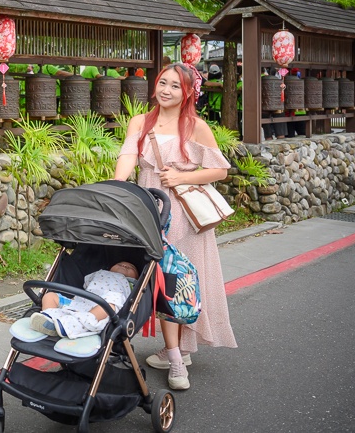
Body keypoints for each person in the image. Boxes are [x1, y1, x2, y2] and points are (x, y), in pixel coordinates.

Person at [113, 63, 236, 391]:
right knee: (159, 279)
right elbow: (127, 156)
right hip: (148, 209)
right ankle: (176, 351)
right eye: (162, 83)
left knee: (174, 281)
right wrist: (115, 187)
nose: (166, 90)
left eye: (175, 86)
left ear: (188, 93)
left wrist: (182, 176)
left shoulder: (195, 127)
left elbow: (219, 170)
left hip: (181, 214)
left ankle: (176, 359)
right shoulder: (140, 121)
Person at [29, 261, 140, 339]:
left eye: (131, 268)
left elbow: (129, 298)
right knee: (50, 296)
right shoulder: (100, 272)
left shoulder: (131, 283)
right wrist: (73, 300)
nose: (124, 265)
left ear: (136, 277)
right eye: (120, 264)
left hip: (103, 306)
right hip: (83, 301)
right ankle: (49, 318)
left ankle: (74, 323)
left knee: (111, 302)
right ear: (110, 268)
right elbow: (86, 285)